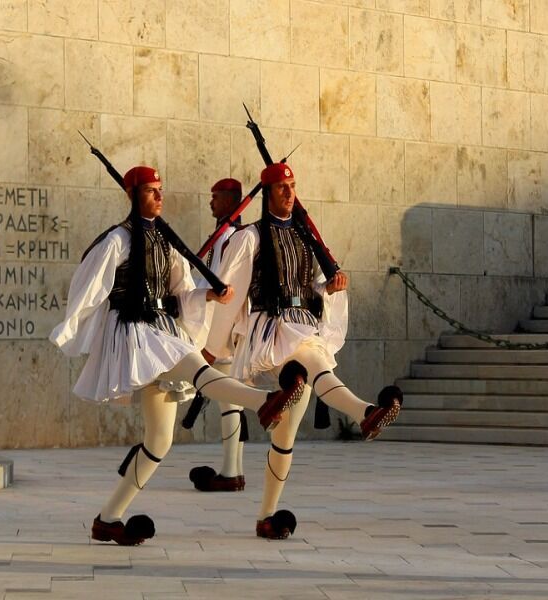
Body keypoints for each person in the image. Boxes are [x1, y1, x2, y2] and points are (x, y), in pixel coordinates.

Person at [50, 166, 306, 546]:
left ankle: (108, 519)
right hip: (136, 334)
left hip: (162, 328)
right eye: (152, 191)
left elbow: (181, 292)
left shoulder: (166, 244)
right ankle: (264, 402)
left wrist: (208, 296)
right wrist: (70, 328)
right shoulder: (117, 241)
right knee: (196, 368)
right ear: (134, 196)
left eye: (160, 190)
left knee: (159, 441)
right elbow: (89, 287)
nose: (159, 196)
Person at [206, 162, 403, 540]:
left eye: (292, 186)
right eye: (281, 187)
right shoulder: (251, 237)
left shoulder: (304, 237)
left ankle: (266, 516)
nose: (288, 192)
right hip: (270, 330)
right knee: (314, 361)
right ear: (267, 194)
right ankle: (365, 412)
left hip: (301, 325)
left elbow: (314, 286)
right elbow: (231, 295)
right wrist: (214, 346)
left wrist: (331, 287)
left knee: (285, 438)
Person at [186, 178, 248, 493]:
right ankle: (232, 469)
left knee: (229, 400)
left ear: (230, 199)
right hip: (222, 330)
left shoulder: (235, 238)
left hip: (226, 331)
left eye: (215, 197)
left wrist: (215, 341)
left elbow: (227, 290)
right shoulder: (223, 236)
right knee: (230, 401)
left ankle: (231, 472)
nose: (210, 203)